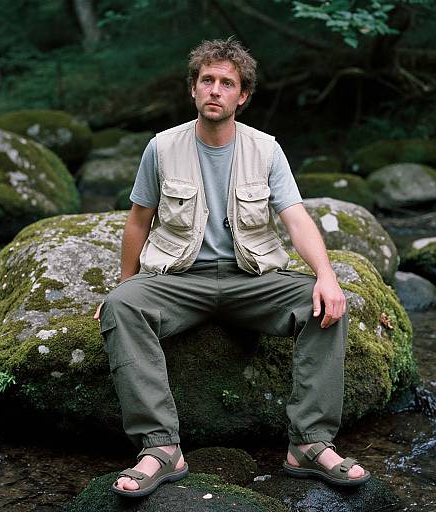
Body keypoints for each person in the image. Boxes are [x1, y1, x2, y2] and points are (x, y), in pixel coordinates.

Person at [95, 38, 370, 498]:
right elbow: (138, 220)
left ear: (242, 96)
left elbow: (296, 218)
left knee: (322, 304)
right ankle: (161, 449)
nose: (216, 91)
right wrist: (126, 286)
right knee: (121, 307)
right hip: (181, 281)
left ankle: (309, 442)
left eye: (227, 83)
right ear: (194, 89)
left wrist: (326, 275)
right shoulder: (161, 148)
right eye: (208, 81)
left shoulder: (267, 150)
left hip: (253, 281)